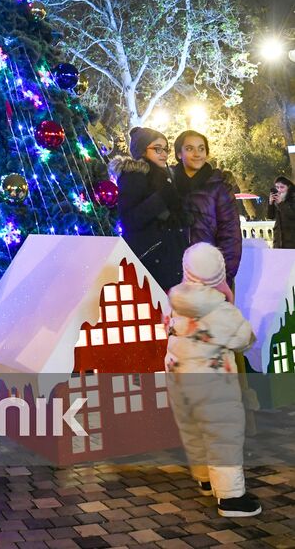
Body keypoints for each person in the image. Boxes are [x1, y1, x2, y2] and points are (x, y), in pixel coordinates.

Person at [165, 242, 261, 517]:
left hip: (180, 380)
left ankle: (205, 479)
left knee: (194, 431)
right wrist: (230, 304)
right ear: (219, 275)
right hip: (213, 385)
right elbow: (244, 338)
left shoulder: (176, 302)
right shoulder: (221, 310)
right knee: (223, 437)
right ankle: (230, 498)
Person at [108, 126, 189, 291]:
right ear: (142, 150)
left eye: (166, 149)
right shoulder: (133, 176)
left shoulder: (165, 177)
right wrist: (161, 198)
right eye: (157, 149)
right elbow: (130, 219)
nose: (164, 154)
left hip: (172, 258)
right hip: (151, 260)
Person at [173, 130, 242, 291]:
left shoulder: (219, 187)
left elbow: (230, 235)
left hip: (210, 277)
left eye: (201, 148)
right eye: (190, 148)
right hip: (175, 276)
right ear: (178, 154)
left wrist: (223, 277)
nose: (197, 154)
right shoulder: (168, 184)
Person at [269, 175, 295, 249]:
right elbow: (270, 216)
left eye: (282, 187)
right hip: (278, 241)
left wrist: (281, 203)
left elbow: (292, 215)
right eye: (277, 187)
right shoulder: (278, 200)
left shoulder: (292, 198)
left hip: (291, 241)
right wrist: (270, 204)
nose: (279, 190)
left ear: (288, 187)